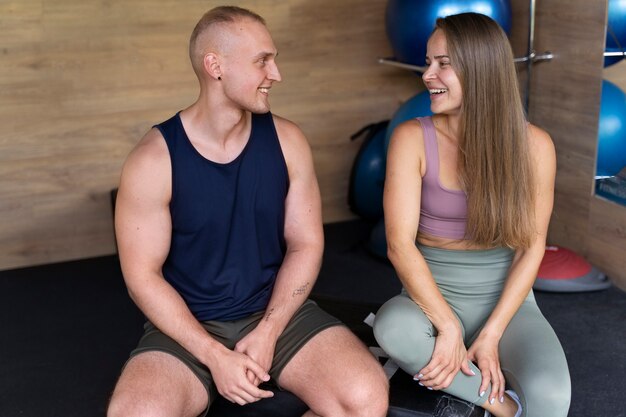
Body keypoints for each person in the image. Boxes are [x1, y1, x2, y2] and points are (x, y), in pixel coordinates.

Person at [107, 6, 389, 417]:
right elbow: (141, 278)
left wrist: (270, 330)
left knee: (365, 398)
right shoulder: (153, 160)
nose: (276, 74)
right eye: (263, 61)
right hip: (190, 323)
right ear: (215, 66)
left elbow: (305, 245)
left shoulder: (289, 141)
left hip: (276, 311)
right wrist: (212, 354)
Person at [373, 12, 570, 417]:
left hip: (507, 299)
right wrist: (447, 326)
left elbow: (531, 249)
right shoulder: (412, 138)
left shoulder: (536, 147)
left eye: (443, 63)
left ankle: (471, 387)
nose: (428, 75)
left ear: (482, 68)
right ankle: (499, 409)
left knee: (552, 398)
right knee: (393, 329)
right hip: (430, 297)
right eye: (428, 63)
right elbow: (399, 245)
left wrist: (493, 333)